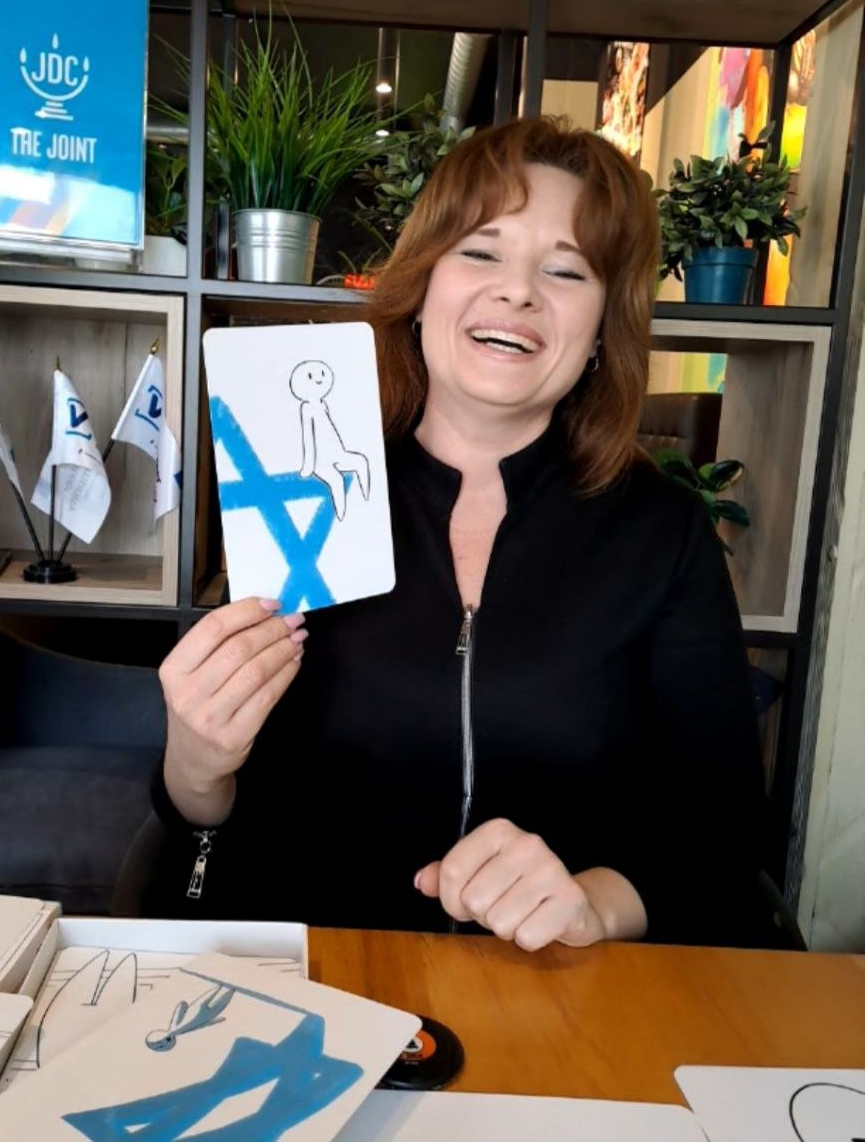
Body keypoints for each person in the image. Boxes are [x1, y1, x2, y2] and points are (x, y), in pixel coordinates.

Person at [148, 115, 774, 950]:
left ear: (600, 330)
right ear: (421, 289)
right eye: (481, 252)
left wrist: (593, 904)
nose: (518, 293)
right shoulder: (300, 496)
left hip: (560, 991)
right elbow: (213, 820)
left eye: (566, 270)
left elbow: (722, 829)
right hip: (320, 980)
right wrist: (194, 763)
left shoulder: (663, 533)